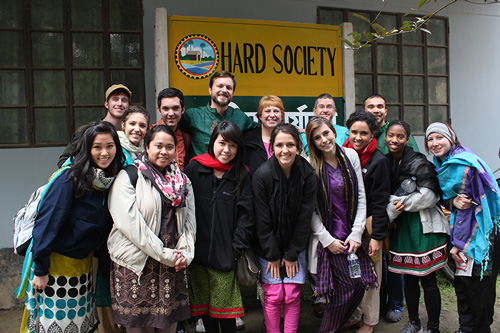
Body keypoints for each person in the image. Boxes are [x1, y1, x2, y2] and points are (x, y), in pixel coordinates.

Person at [25, 120, 124, 332]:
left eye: (110, 146)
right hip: (55, 270)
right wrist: (41, 270)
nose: (104, 153)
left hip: (82, 269)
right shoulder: (69, 178)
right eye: (97, 147)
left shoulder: (104, 180)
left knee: (79, 325)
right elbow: (46, 225)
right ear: (86, 148)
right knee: (56, 325)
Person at [107, 125, 195, 333]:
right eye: (158, 146)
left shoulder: (182, 181)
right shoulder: (128, 176)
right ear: (147, 147)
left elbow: (190, 223)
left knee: (169, 323)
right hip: (136, 264)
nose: (164, 151)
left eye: (169, 147)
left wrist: (185, 253)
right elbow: (131, 227)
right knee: (139, 326)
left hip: (173, 264)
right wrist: (165, 254)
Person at [426, 122, 500, 333]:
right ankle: (466, 328)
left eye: (439, 137)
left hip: (481, 235)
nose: (434, 143)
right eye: (430, 139)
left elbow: (477, 205)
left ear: (451, 138)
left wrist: (460, 244)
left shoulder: (464, 164)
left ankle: (479, 329)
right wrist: (452, 203)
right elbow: (451, 200)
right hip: (462, 229)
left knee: (479, 288)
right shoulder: (442, 165)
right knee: (464, 286)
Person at [305, 117, 377, 333]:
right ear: (312, 142)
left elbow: (361, 196)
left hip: (351, 236)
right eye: (317, 137)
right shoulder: (311, 165)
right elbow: (310, 210)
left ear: (334, 132)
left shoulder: (351, 155)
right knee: (344, 288)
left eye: (326, 133)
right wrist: (327, 241)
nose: (323, 140)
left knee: (358, 284)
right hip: (330, 238)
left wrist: (356, 234)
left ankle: (332, 327)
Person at [184, 120, 253, 333]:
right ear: (213, 142)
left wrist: (235, 250)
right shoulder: (195, 168)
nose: (227, 150)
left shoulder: (242, 174)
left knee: (227, 314)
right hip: (197, 255)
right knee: (205, 313)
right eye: (222, 143)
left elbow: (246, 216)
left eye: (233, 145)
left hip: (225, 257)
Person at [385, 120, 449, 333]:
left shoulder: (418, 162)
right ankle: (414, 322)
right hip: (401, 230)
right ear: (385, 137)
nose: (395, 140)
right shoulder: (385, 162)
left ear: (407, 138)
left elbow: (429, 197)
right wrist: (394, 207)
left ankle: (433, 328)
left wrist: (395, 205)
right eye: (391, 135)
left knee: (428, 281)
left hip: (423, 227)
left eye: (400, 136)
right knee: (409, 280)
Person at [252, 123, 316, 333]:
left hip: (295, 246)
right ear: (272, 147)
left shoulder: (307, 174)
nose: (285, 150)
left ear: (298, 146)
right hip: (267, 246)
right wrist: (272, 255)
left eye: (290, 144)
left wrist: (290, 254)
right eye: (279, 145)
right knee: (274, 295)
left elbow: (304, 218)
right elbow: (261, 219)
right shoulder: (262, 174)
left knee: (291, 294)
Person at [363, 93, 414, 323]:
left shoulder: (395, 131)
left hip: (396, 205)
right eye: (371, 106)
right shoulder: (363, 132)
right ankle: (380, 304)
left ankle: (396, 303)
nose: (376, 110)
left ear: (386, 110)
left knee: (394, 259)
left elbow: (411, 166)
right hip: (372, 208)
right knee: (378, 260)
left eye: (380, 106)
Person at [343, 111, 391, 333]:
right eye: (354, 132)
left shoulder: (379, 161)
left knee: (371, 277)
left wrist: (378, 237)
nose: (358, 137)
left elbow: (381, 202)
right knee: (350, 276)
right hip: (345, 227)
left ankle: (370, 322)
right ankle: (353, 316)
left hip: (369, 229)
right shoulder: (340, 154)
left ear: (373, 134)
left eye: (364, 133)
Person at [179, 71, 257, 158]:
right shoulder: (193, 115)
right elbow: (170, 128)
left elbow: (261, 132)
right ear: (210, 89)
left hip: (230, 169)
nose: (224, 90)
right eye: (220, 86)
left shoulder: (240, 117)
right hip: (200, 169)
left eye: (229, 88)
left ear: (233, 93)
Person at [58, 84, 132, 167]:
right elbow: (64, 161)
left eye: (124, 100)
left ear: (129, 106)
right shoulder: (88, 130)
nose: (119, 103)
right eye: (115, 99)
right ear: (106, 104)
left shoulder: (130, 134)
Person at [244, 95, 284, 173]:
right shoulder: (247, 140)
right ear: (260, 116)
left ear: (282, 116)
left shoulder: (290, 139)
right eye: (267, 111)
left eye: (276, 111)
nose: (272, 115)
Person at [154, 87, 191, 170]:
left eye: (175, 108)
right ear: (159, 110)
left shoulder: (186, 138)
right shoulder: (149, 133)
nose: (171, 113)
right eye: (166, 109)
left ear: (183, 109)